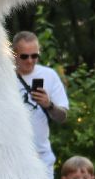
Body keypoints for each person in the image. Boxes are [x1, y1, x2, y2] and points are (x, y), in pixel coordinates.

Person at [12, 31, 69, 167]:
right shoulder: (3, 76)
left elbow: (63, 117)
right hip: (11, 156)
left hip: (41, 156)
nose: (30, 60)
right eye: (24, 56)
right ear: (14, 54)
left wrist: (48, 105)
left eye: (34, 55)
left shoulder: (49, 75)